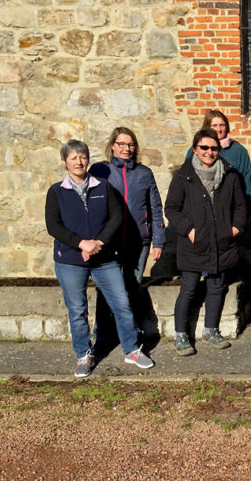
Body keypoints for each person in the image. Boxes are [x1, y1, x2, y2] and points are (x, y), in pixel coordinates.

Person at [45, 140, 154, 377]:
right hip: (70, 260)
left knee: (122, 304)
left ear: (88, 159)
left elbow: (117, 217)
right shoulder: (56, 191)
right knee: (77, 309)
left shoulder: (103, 187)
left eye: (82, 156)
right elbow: (53, 225)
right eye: (73, 158)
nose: (79, 161)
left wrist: (98, 243)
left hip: (104, 258)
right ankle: (84, 354)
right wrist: (81, 243)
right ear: (65, 162)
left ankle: (132, 349)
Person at [165, 128, 247, 356]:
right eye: (204, 148)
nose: (209, 152)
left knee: (217, 287)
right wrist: (189, 230)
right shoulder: (184, 176)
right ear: (195, 149)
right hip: (194, 243)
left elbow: (240, 206)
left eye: (213, 148)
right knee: (189, 289)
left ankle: (210, 329)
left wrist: (234, 229)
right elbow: (171, 209)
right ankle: (181, 334)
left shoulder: (230, 175)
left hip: (222, 241)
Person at [89, 127, 165, 347]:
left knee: (132, 288)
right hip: (108, 241)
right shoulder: (100, 171)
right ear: (112, 145)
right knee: (106, 289)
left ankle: (131, 334)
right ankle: (103, 335)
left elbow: (155, 208)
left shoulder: (144, 173)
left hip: (138, 241)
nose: (126, 148)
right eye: (121, 144)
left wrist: (158, 240)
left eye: (130, 144)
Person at [186, 110, 251, 205]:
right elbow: (186, 179)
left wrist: (243, 208)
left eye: (222, 125)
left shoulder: (239, 151)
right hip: (201, 205)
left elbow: (248, 183)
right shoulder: (196, 150)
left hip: (232, 206)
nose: (219, 129)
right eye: (214, 125)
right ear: (207, 127)